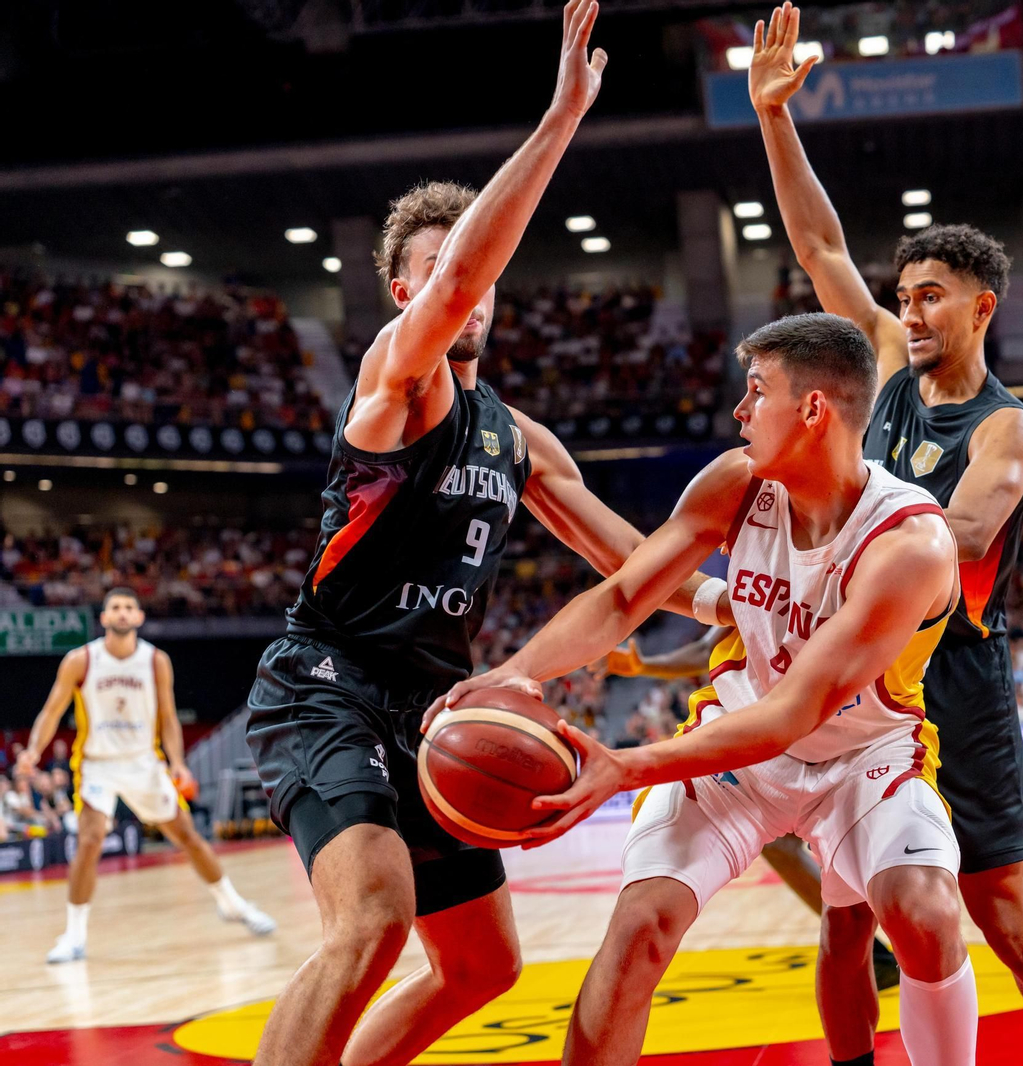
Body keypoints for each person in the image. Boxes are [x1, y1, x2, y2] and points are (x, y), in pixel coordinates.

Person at [241, 9, 707, 1064]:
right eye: (444, 270)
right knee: (371, 921)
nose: (468, 283)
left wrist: (738, 600)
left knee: (483, 964)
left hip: (427, 703)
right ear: (405, 293)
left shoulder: (518, 438)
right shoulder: (392, 384)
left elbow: (630, 564)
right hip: (328, 680)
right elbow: (452, 285)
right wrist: (557, 122)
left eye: (481, 268)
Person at [437, 313, 980, 1066]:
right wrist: (516, 670)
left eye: (757, 392)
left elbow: (796, 714)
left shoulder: (909, 545)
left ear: (814, 409)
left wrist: (625, 765)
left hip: (863, 757)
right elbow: (627, 595)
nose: (739, 411)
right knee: (638, 933)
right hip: (740, 747)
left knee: (924, 916)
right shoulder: (737, 484)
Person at [747, 7, 1023, 1063]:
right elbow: (817, 243)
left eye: (931, 298)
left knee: (1001, 912)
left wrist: (851, 533)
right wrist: (775, 116)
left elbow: (964, 527)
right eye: (903, 296)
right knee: (845, 912)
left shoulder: (1007, 423)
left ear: (979, 307)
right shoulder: (878, 359)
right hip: (869, 676)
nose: (908, 314)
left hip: (956, 679)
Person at [595, 625, 904, 990]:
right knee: (786, 848)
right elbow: (706, 648)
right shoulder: (747, 578)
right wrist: (644, 664)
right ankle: (874, 953)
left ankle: (900, 940)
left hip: (857, 726)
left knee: (877, 852)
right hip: (778, 728)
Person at [16, 588, 276, 964]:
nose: (122, 614)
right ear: (103, 618)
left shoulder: (155, 661)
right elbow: (51, 711)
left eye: (128, 608)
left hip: (143, 762)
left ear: (139, 617)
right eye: (114, 608)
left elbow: (169, 717)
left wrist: (177, 761)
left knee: (186, 836)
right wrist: (33, 751)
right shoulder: (81, 660)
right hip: (97, 763)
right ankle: (73, 935)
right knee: (89, 840)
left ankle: (232, 904)